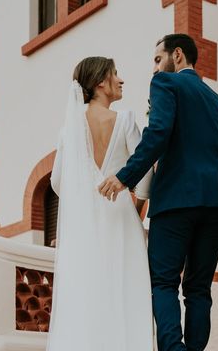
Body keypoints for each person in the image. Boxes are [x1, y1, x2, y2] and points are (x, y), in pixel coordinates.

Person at [99, 34, 218, 351]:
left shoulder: (165, 85)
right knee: (199, 288)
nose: (156, 68)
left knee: (163, 282)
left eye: (158, 59)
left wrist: (124, 176)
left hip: (177, 200)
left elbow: (157, 133)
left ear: (177, 55)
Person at [48, 57, 154, 351]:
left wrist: (83, 198)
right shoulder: (125, 119)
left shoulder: (70, 127)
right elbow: (145, 176)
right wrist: (137, 204)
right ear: (99, 83)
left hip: (85, 229)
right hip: (121, 222)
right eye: (115, 74)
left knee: (86, 299)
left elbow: (57, 182)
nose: (121, 80)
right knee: (125, 297)